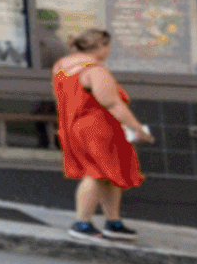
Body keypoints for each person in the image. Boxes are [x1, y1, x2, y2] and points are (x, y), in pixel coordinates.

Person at [51, 27, 149, 241]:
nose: (109, 51)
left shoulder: (61, 66)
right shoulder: (94, 69)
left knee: (107, 175)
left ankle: (113, 222)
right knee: (95, 173)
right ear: (101, 46)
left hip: (73, 125)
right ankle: (82, 223)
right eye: (108, 47)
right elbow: (112, 103)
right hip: (97, 128)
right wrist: (137, 128)